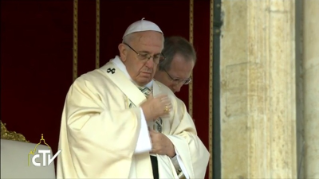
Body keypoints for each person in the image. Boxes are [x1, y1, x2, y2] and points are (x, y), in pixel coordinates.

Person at [57, 18, 209, 179]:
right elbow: (84, 137)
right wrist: (140, 115)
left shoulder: (167, 96)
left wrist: (171, 146)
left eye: (156, 57)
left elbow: (196, 149)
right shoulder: (90, 87)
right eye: (144, 55)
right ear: (123, 51)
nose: (151, 65)